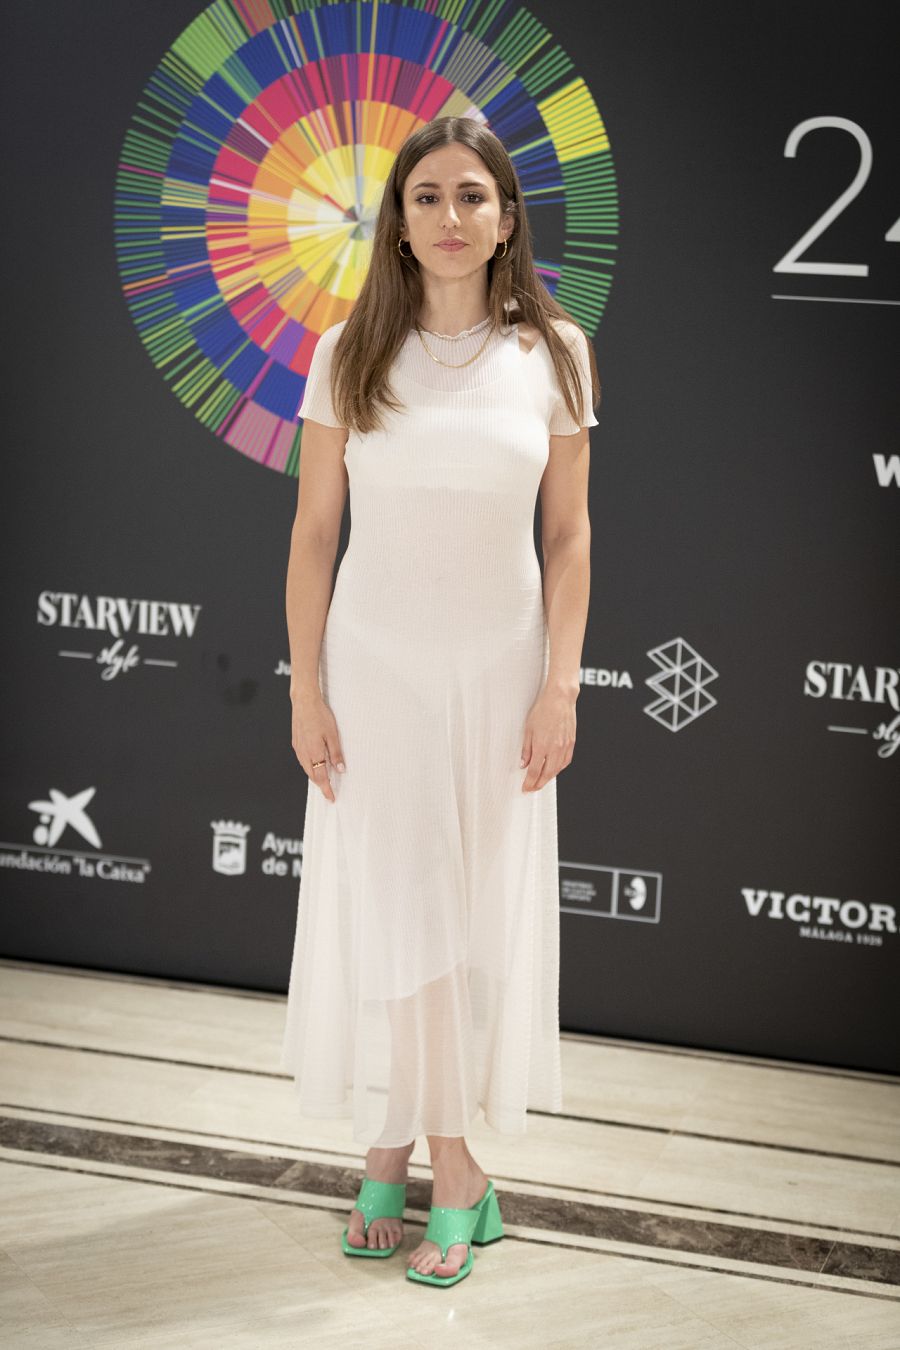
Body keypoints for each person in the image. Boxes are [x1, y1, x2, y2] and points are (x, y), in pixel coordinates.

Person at [281, 115, 600, 1288]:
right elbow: (315, 538)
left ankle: (391, 1148)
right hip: (377, 668)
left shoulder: (555, 352)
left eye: (473, 195)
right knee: (397, 901)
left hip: (504, 665)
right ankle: (448, 1167)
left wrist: (561, 683)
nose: (450, 216)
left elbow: (567, 540)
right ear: (398, 221)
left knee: (465, 919)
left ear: (507, 217)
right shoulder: (345, 353)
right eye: (426, 197)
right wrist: (306, 686)